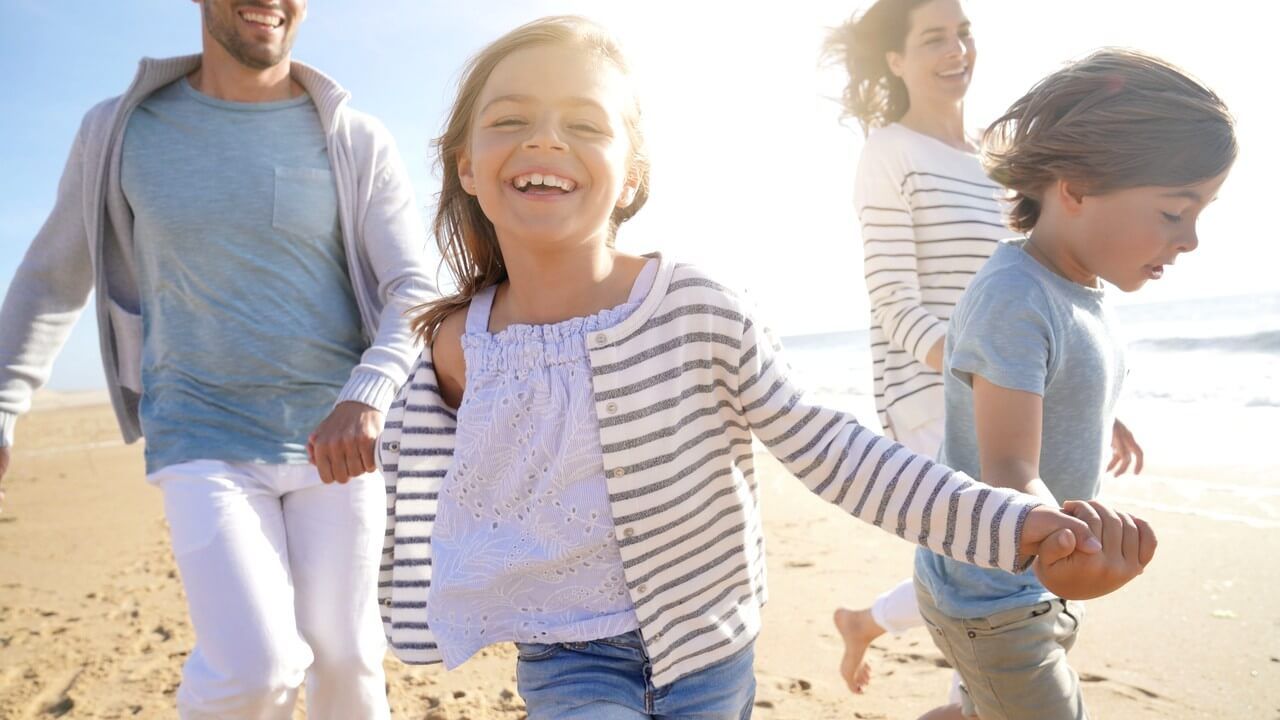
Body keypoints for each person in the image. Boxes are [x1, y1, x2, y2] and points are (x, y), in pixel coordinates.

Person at [375, 16, 1153, 720]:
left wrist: (1016, 528)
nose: (545, 139)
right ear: (466, 165)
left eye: (584, 123)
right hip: (568, 660)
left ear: (632, 171)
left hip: (714, 649)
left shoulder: (691, 306)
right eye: (510, 120)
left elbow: (834, 450)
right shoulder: (456, 346)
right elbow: (421, 491)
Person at [0, 1, 435, 717]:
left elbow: (413, 289)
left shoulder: (354, 138)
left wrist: (369, 392)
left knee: (349, 661)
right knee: (256, 669)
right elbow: (52, 277)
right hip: (202, 434)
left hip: (339, 441)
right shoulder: (118, 132)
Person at [823, 2, 1143, 708]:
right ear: (896, 61)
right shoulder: (889, 153)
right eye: (933, 37)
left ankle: (882, 637)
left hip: (1011, 382)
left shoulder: (999, 163)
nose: (956, 48)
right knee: (999, 575)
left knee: (1002, 574)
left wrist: (1083, 399)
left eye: (963, 32)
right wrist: (987, 375)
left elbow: (1046, 295)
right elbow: (892, 302)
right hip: (931, 388)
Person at [913, 48, 1234, 719]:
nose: (1192, 240)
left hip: (1022, 582)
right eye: (1175, 212)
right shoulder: (1015, 297)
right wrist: (1073, 543)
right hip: (992, 596)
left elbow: (1048, 380)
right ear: (1078, 185)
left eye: (1201, 212)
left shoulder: (1076, 289)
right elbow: (1007, 466)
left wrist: (1098, 415)